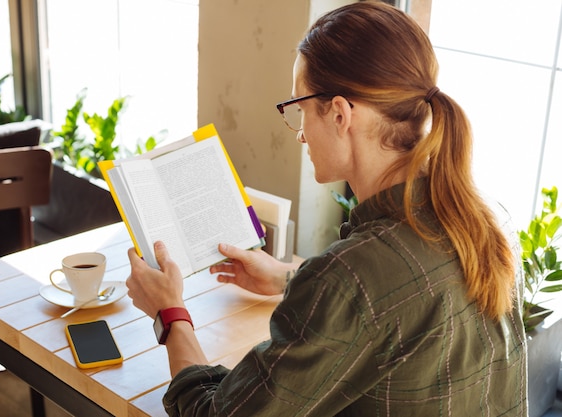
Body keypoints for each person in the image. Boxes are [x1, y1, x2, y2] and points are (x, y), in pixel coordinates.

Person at [126, 2, 527, 416]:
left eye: (300, 110)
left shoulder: (352, 278)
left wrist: (169, 311)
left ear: (339, 113)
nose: (300, 134)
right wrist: (291, 278)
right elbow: (389, 306)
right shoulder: (481, 221)